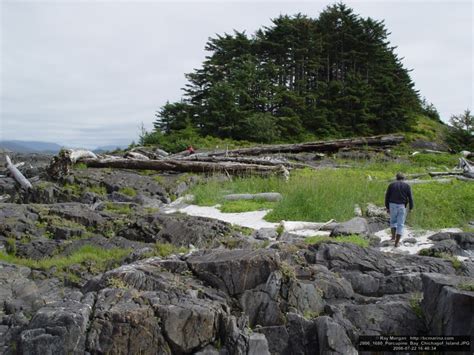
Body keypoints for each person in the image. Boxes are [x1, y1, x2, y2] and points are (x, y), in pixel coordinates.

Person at [385, 172, 414, 247]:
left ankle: (393, 237)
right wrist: (411, 207)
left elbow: (387, 196)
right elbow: (410, 198)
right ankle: (396, 243)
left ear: (396, 178)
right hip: (402, 206)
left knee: (393, 221)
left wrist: (387, 207)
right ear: (403, 178)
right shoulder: (407, 186)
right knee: (400, 224)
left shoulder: (391, 185)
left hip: (392, 205)